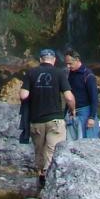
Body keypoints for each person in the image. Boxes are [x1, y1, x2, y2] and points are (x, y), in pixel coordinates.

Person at [20, 48, 75, 185]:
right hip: (55, 119)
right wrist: (73, 110)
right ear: (54, 60)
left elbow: (23, 95)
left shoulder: (31, 72)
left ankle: (41, 177)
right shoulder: (60, 73)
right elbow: (68, 97)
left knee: (39, 151)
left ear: (40, 60)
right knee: (53, 151)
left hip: (36, 120)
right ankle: (51, 182)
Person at [64, 50, 100, 140]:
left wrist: (92, 117)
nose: (68, 66)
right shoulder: (71, 74)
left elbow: (94, 98)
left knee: (88, 142)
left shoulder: (88, 75)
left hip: (86, 113)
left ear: (77, 60)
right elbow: (69, 95)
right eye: (66, 64)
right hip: (72, 112)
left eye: (70, 63)